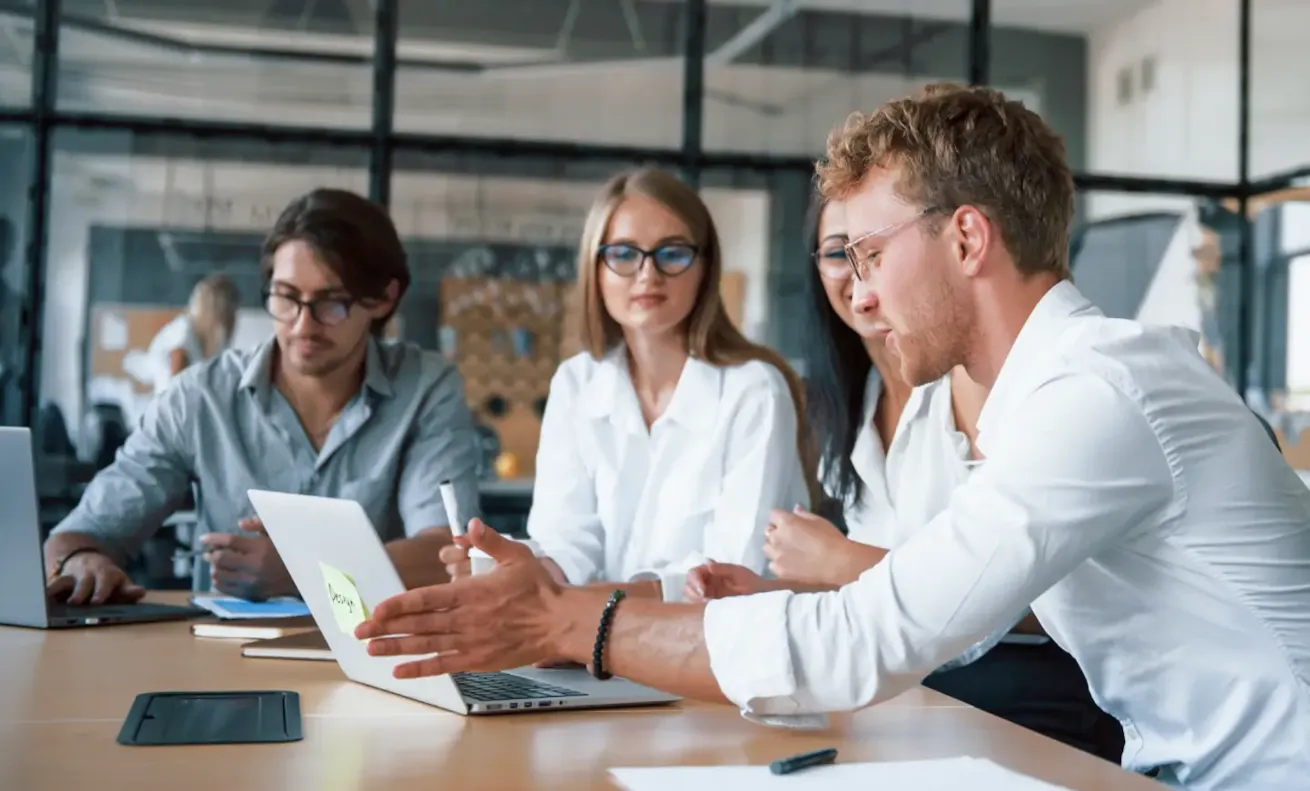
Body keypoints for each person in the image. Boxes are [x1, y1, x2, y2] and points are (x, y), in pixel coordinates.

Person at [354, 85, 1310, 790]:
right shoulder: (1029, 401)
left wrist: (568, 620)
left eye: (871, 253)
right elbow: (944, 616)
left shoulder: (1099, 391)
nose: (853, 290)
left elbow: (869, 634)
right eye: (842, 258)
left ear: (969, 240)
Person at [680, 192, 1122, 761]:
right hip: (919, 686)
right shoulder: (852, 404)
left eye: (876, 253)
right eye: (840, 254)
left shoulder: (984, 386)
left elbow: (1025, 594)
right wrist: (775, 593)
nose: (863, 280)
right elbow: (886, 598)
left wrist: (837, 561)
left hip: (1020, 683)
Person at [44, 188, 480, 605]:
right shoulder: (201, 397)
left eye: (332, 303)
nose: (302, 325)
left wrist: (305, 569)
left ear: (384, 298)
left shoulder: (426, 388)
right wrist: (82, 561)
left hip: (381, 653)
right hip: (222, 659)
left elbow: (447, 556)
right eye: (286, 298)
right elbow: (80, 534)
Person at [440, 167, 816, 602]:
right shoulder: (576, 383)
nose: (647, 275)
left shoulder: (753, 390)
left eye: (672, 254)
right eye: (623, 254)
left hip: (719, 649)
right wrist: (509, 569)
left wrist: (565, 601)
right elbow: (566, 542)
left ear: (705, 267)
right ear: (595, 268)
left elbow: (730, 574)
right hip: (599, 646)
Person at [146, 273, 240, 394]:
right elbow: (176, 391)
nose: (232, 318)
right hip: (175, 408)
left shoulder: (210, 335)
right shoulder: (182, 336)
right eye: (230, 311)